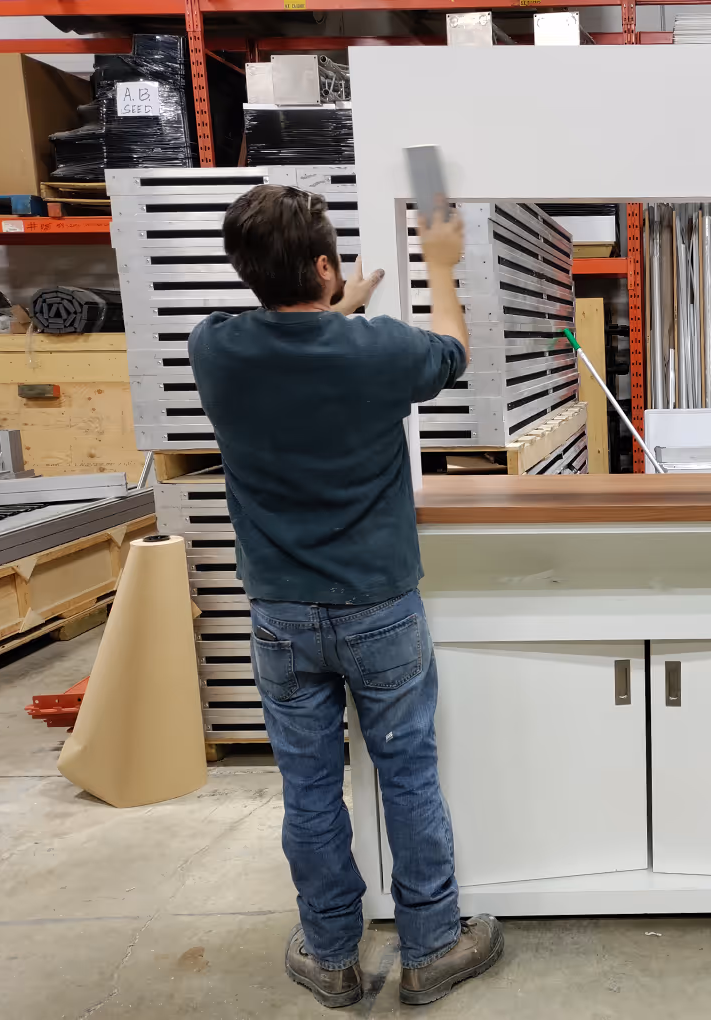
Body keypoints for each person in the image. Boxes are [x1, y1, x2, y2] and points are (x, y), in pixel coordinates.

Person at [189, 185, 504, 1008]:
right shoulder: (379, 353)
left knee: (310, 787)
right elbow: (451, 349)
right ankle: (432, 947)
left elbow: (293, 334)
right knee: (406, 774)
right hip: (380, 610)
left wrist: (339, 303)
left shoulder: (214, 349)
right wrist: (439, 266)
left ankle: (331, 953)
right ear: (326, 265)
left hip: (281, 617)